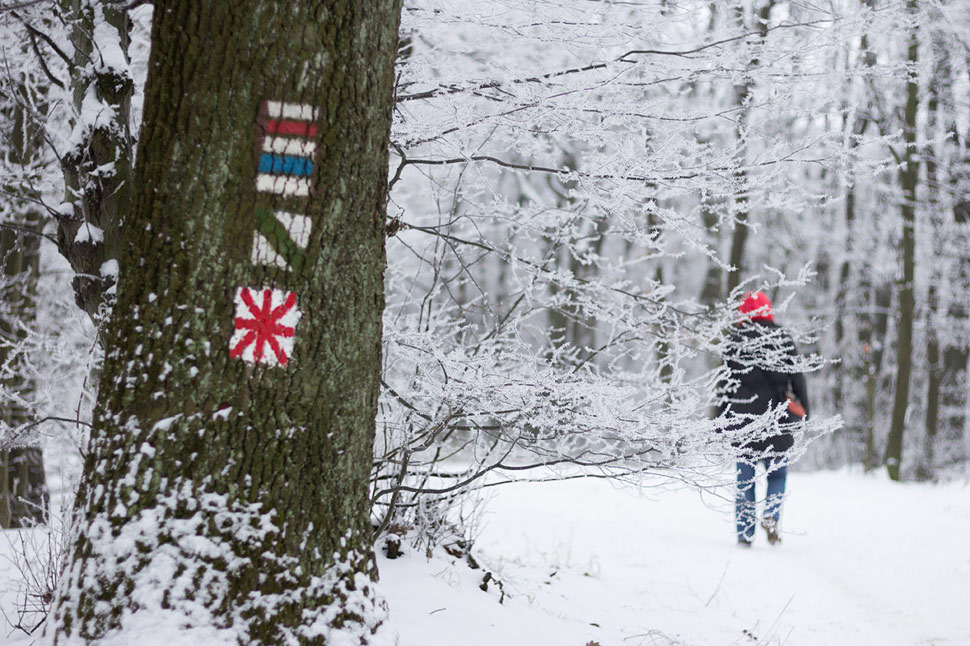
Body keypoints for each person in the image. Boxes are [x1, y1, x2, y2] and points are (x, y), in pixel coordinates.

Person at [716, 291, 809, 547]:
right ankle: (771, 515)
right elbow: (797, 378)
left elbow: (724, 384)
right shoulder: (783, 337)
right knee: (777, 476)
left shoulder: (735, 340)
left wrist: (719, 419)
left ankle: (745, 535)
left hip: (742, 419)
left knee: (745, 479)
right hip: (777, 417)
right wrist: (805, 410)